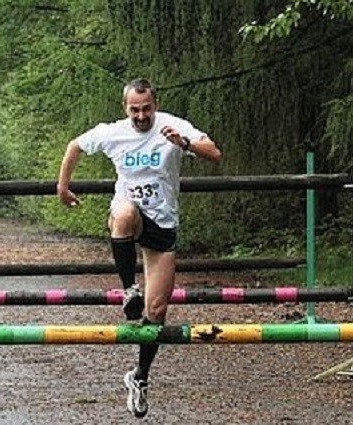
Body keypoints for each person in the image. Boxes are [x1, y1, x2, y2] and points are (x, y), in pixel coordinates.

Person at [57, 78, 222, 418]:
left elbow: (215, 154)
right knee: (123, 212)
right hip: (132, 217)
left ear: (155, 105)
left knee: (157, 312)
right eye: (135, 109)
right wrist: (62, 187)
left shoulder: (172, 125)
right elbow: (74, 146)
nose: (141, 115)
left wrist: (185, 142)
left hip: (163, 225)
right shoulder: (113, 132)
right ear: (125, 108)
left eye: (146, 109)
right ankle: (128, 289)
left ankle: (140, 377)